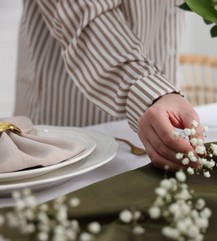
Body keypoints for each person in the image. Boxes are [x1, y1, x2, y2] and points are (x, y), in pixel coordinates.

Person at [13, 0, 203, 170]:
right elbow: (85, 10)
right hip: (68, 119)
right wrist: (151, 91)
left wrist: (162, 94)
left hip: (160, 115)